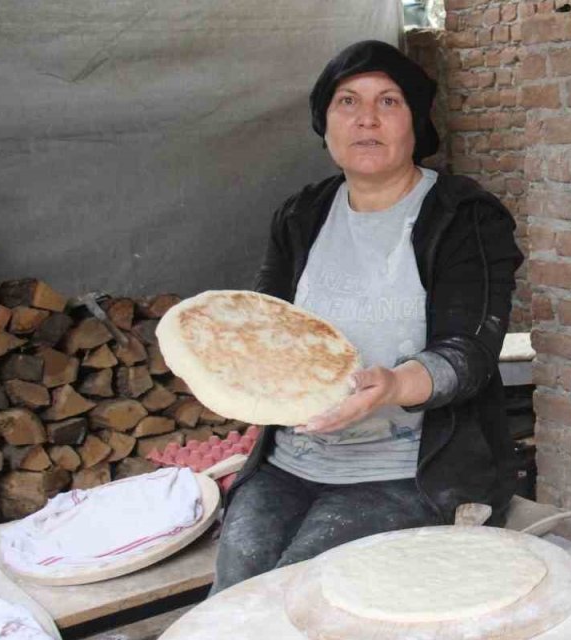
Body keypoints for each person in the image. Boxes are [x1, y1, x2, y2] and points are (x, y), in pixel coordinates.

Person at [210, 40, 523, 595]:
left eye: (389, 101)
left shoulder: (464, 217)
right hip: (290, 461)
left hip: (409, 471)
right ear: (326, 123)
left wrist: (393, 385)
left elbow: (468, 354)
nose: (367, 119)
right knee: (235, 593)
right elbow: (269, 327)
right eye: (348, 102)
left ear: (416, 122)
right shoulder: (302, 215)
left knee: (298, 595)